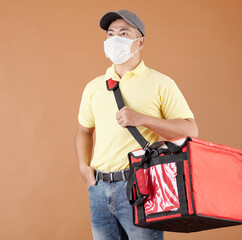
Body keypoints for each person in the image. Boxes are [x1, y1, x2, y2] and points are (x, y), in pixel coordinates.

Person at [74, 10, 199, 240]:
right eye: (110, 34)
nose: (115, 39)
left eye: (123, 33)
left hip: (141, 186)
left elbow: (190, 130)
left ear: (140, 42)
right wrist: (84, 166)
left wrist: (143, 119)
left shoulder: (161, 83)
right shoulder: (94, 87)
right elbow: (83, 130)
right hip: (99, 188)